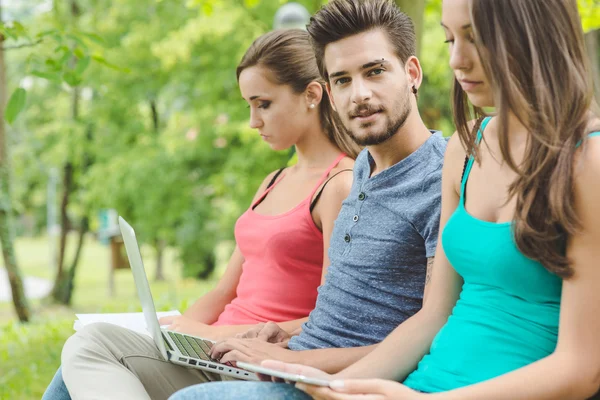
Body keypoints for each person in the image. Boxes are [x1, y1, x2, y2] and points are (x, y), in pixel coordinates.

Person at [170, 0, 600, 398]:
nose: (456, 60)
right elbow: (433, 316)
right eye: (451, 40)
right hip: (416, 382)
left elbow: (583, 369)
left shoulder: (589, 162)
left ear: (533, 31)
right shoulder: (466, 149)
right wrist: (338, 385)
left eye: (476, 37)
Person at [42, 28, 360, 400]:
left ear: (312, 94)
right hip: (214, 355)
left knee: (92, 345)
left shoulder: (340, 185)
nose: (253, 121)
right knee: (81, 355)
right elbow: (224, 291)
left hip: (254, 362)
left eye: (264, 104)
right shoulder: (273, 182)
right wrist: (178, 332)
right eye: (249, 106)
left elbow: (328, 319)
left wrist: (217, 335)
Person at [169, 0, 450, 399]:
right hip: (288, 360)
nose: (360, 94)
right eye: (342, 80)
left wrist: (301, 363)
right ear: (330, 94)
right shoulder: (362, 169)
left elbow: (432, 330)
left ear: (412, 73)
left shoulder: (441, 177)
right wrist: (279, 336)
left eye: (375, 71)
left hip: (335, 380)